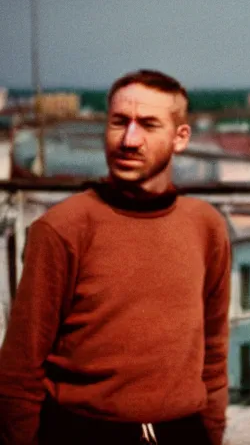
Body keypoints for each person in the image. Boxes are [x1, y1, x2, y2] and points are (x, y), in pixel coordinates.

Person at [0, 69, 231, 445]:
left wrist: (213, 431)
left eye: (148, 125)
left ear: (180, 138)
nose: (129, 139)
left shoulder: (206, 227)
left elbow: (214, 350)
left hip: (183, 433)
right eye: (119, 122)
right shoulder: (63, 227)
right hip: (83, 433)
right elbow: (19, 370)